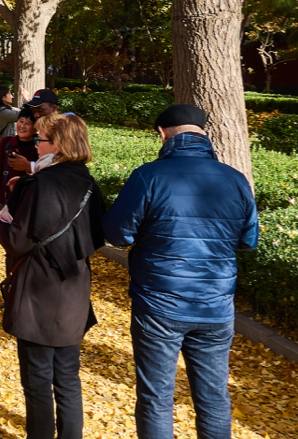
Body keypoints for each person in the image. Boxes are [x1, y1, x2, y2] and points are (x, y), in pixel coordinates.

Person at [102, 105, 258, 439]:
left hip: (159, 304)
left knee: (157, 397)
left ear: (162, 133)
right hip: (215, 306)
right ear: (203, 133)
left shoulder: (149, 176)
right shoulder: (236, 179)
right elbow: (248, 240)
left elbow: (117, 234)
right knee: (214, 398)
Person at [0, 114, 105, 439]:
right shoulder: (89, 184)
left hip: (38, 289)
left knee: (38, 379)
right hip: (74, 287)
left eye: (40, 139)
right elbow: (97, 236)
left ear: (58, 145)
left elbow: (17, 240)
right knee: (68, 377)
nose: (36, 145)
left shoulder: (42, 184)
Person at [0, 107, 39, 269]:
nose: (22, 126)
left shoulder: (40, 147)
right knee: (8, 243)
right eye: (20, 121)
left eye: (27, 123)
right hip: (6, 202)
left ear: (35, 127)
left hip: (26, 206)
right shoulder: (7, 142)